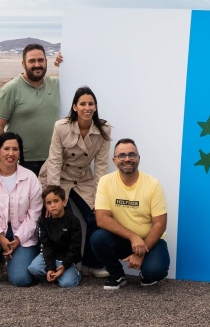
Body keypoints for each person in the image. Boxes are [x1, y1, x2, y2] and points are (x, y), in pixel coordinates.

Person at [40, 86, 112, 276]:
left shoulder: (104, 130)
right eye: (83, 104)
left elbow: (102, 167)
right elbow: (54, 160)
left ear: (95, 107)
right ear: (74, 107)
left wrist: (99, 199)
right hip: (58, 177)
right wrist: (54, 195)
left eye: (91, 104)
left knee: (95, 218)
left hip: (82, 178)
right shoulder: (61, 127)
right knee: (64, 219)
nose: (87, 108)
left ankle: (90, 264)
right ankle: (62, 264)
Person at [92, 138, 170, 289]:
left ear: (138, 158)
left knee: (155, 271)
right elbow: (101, 219)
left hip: (150, 242)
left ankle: (146, 273)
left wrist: (140, 252)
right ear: (114, 160)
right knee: (98, 238)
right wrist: (133, 237)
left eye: (131, 155)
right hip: (123, 240)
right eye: (122, 155)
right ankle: (118, 275)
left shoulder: (153, 184)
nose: (127, 159)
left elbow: (160, 224)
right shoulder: (105, 181)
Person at [0, 132, 44, 286]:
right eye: (6, 149)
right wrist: (0, 237)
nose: (11, 153)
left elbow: (34, 216)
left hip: (22, 232)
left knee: (21, 280)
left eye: (15, 149)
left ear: (20, 152)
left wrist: (17, 239)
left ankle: (17, 257)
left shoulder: (31, 178)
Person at [0, 43, 62, 175]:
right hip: (21, 162)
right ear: (23, 64)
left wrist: (65, 65)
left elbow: (80, 79)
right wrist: (3, 157)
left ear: (46, 62)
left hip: (52, 161)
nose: (37, 65)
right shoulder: (10, 89)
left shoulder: (57, 84)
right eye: (32, 61)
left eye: (40, 60)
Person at [28, 185, 84, 288]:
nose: (53, 205)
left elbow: (75, 247)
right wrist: (50, 268)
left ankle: (75, 273)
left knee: (67, 284)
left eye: (56, 201)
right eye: (49, 203)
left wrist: (64, 266)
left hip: (66, 259)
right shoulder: (43, 221)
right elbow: (46, 246)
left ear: (64, 202)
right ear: (45, 205)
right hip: (51, 257)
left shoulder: (73, 221)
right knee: (33, 268)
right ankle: (54, 274)